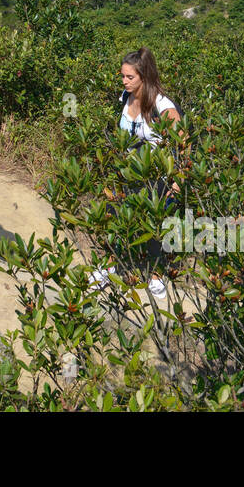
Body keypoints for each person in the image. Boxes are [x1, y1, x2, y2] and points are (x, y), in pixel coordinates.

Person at [92, 48, 184, 300]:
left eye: (129, 77)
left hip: (155, 174)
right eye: (122, 76)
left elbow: (181, 144)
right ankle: (108, 266)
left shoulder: (162, 106)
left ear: (144, 76)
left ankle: (156, 276)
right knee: (115, 216)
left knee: (156, 226)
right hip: (127, 170)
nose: (124, 81)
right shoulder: (126, 97)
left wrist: (176, 182)